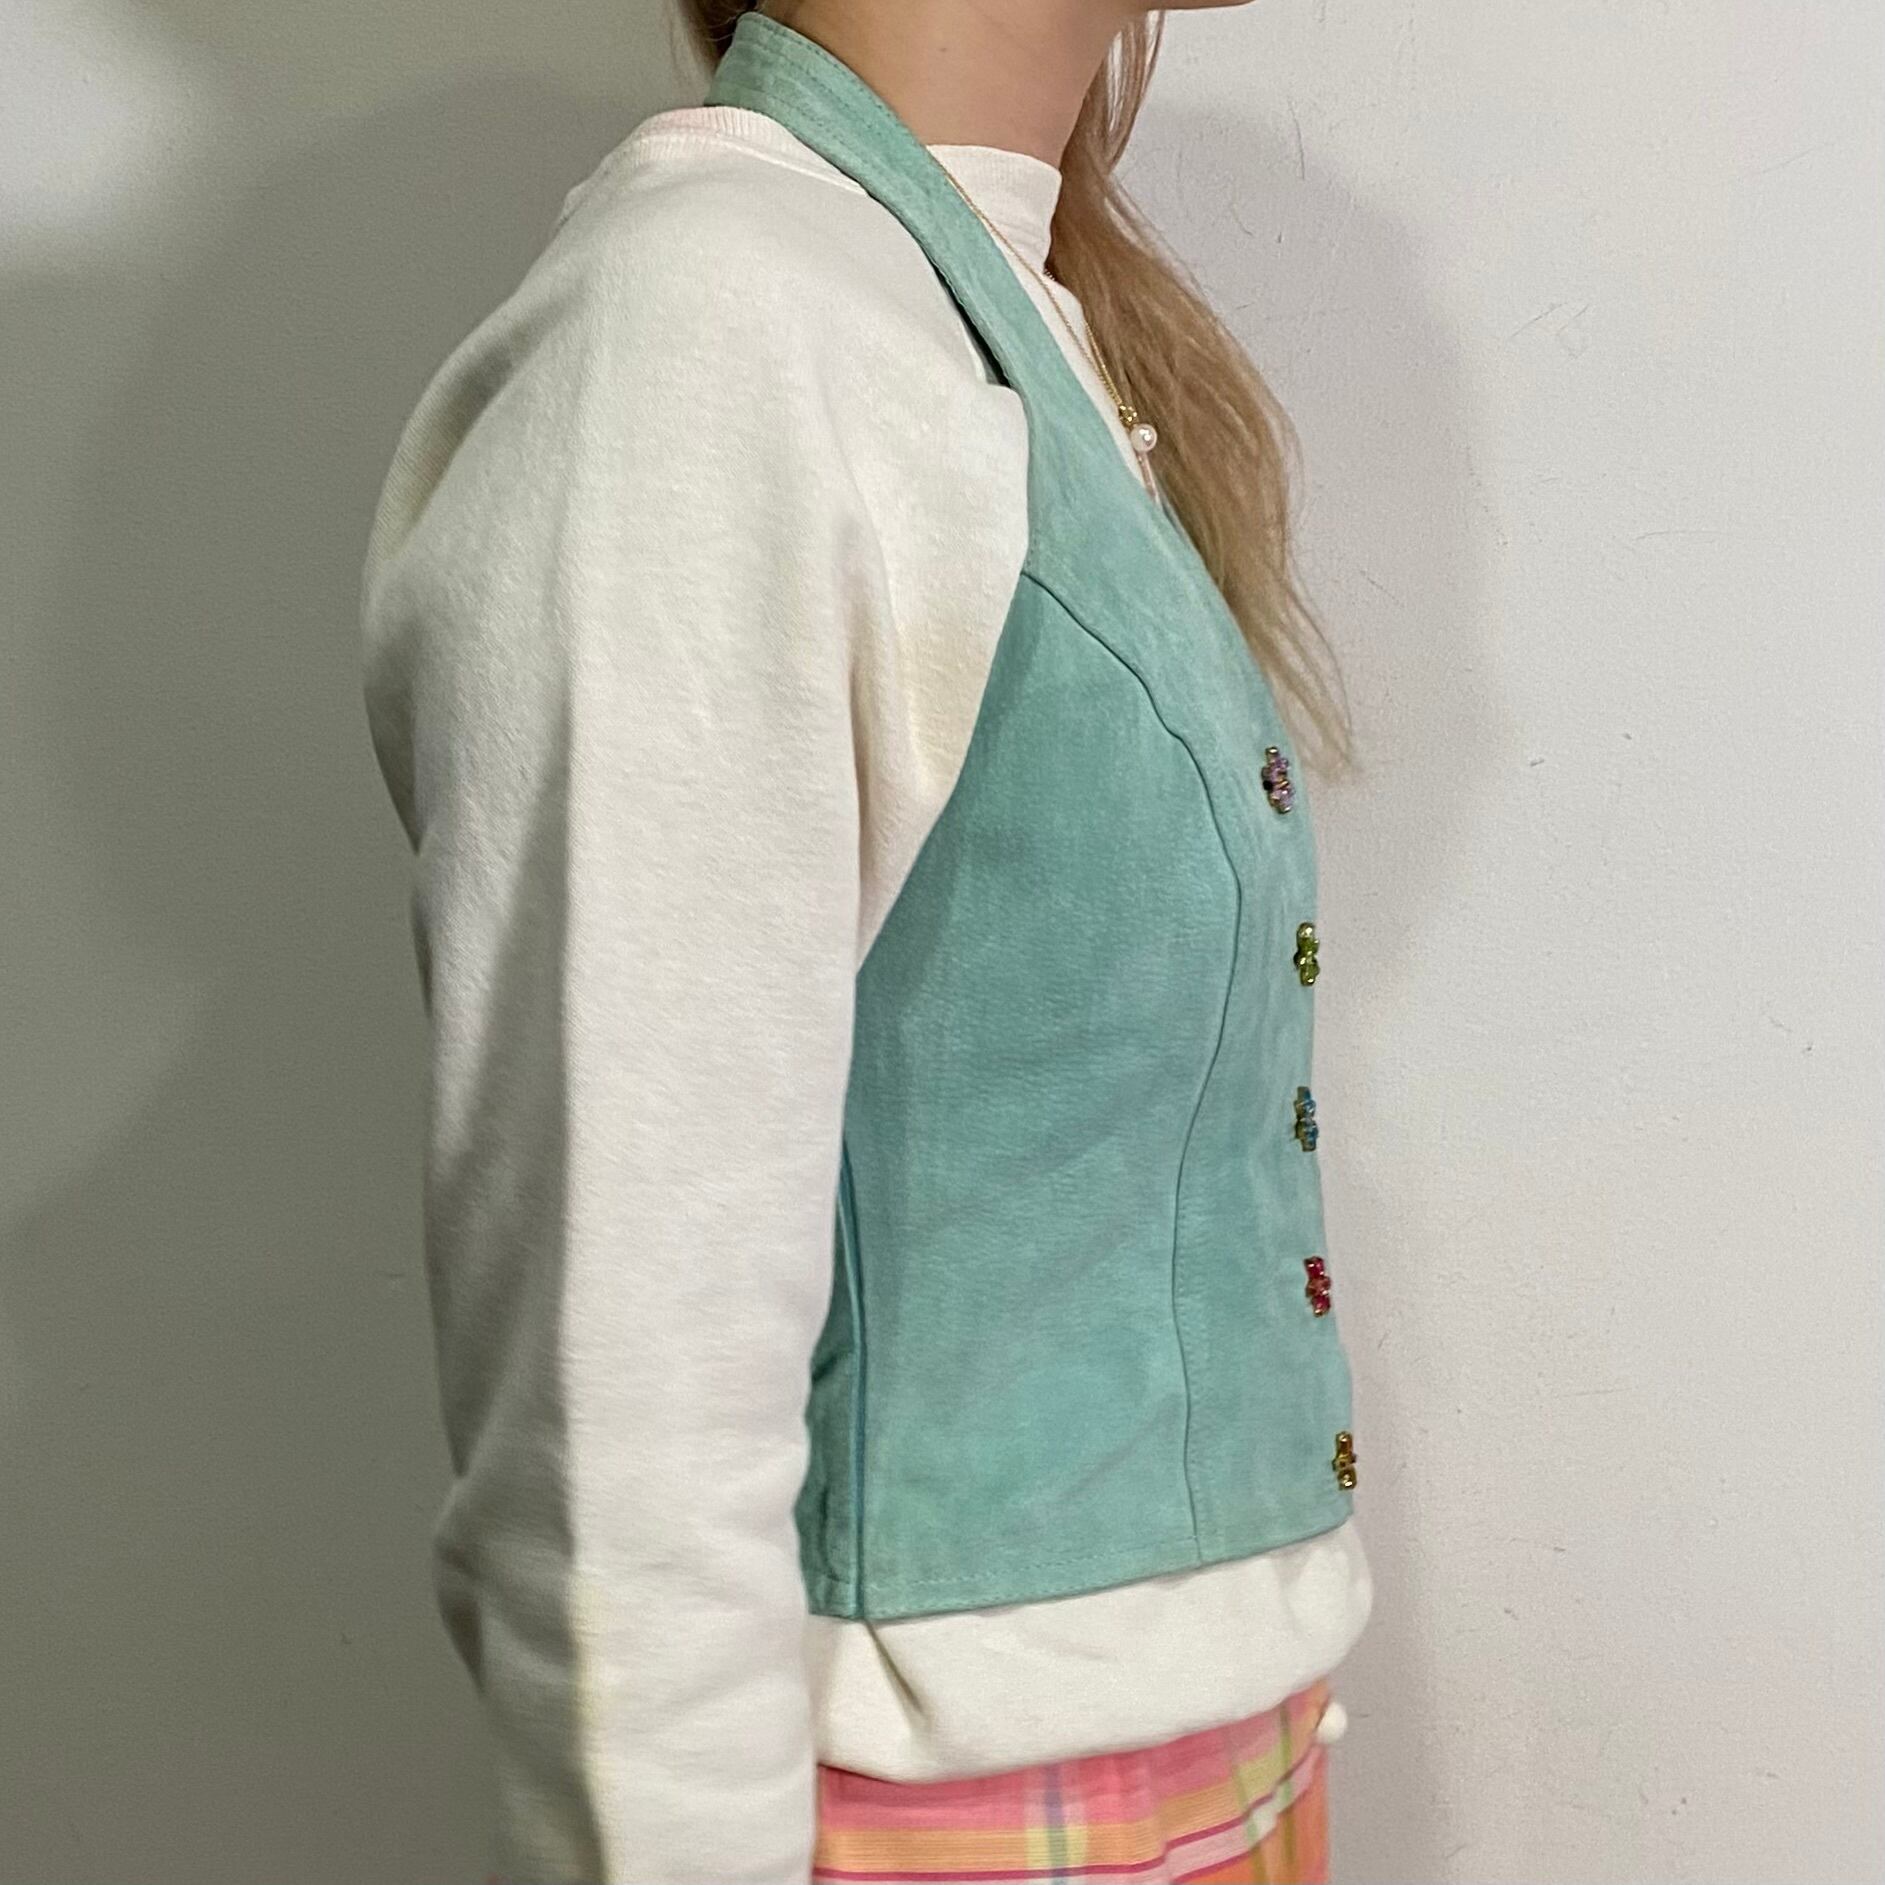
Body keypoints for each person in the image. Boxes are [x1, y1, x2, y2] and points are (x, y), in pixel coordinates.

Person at [358, 1, 1373, 1879]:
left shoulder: (969, 302)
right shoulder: (715, 322)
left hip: (1199, 1758)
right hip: (952, 1819)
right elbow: (620, 1404)